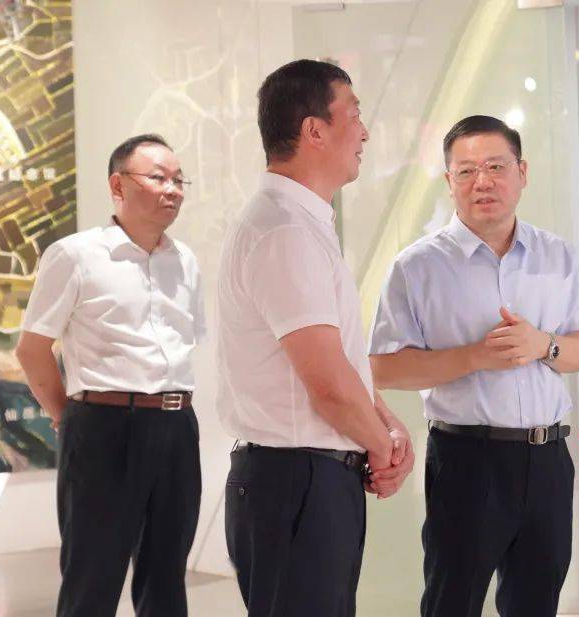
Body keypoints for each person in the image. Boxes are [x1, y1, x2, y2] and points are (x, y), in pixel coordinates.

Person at [369, 115, 579, 617]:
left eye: (496, 167)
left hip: (547, 457)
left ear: (522, 172)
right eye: (467, 171)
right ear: (449, 181)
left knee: (537, 602)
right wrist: (475, 356)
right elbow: (385, 368)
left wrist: (542, 345)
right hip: (467, 459)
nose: (483, 182)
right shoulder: (417, 266)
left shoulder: (556, 255)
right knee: (452, 601)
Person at [216, 59, 414, 617]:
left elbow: (339, 361)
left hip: (308, 478)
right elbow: (326, 384)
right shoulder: (283, 230)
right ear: (314, 131)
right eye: (354, 114)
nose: (365, 132)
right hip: (296, 481)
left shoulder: (300, 223)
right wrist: (383, 448)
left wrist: (385, 424)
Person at [15, 134, 204, 617]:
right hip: (103, 427)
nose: (173, 189)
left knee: (167, 577)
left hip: (178, 425)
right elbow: (33, 349)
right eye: (158, 177)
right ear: (118, 185)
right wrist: (68, 417)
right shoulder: (74, 255)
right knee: (92, 578)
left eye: (179, 180)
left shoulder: (185, 261)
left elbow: (188, 342)